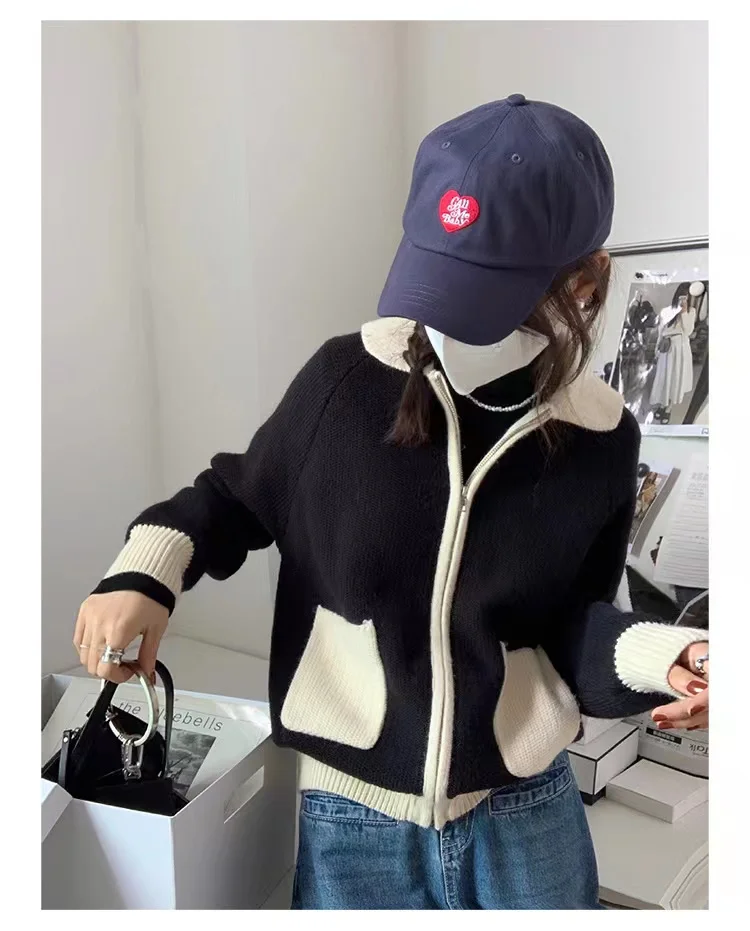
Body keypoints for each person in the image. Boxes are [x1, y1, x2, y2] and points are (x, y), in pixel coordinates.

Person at [73, 95, 709, 910]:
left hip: (526, 815)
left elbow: (571, 627)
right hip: (352, 820)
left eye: (485, 293)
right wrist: (146, 572)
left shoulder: (602, 435)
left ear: (584, 285)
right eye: (439, 273)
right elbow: (232, 497)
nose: (443, 321)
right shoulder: (343, 381)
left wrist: (667, 658)